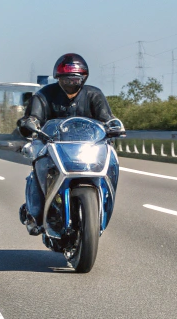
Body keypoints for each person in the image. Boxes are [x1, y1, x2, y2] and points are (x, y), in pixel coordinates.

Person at [16, 53, 114, 235]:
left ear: (83, 78)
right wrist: (30, 122)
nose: (70, 83)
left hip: (86, 147)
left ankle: (103, 204)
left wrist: (113, 126)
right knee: (38, 163)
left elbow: (106, 119)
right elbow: (34, 117)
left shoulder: (94, 94)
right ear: (58, 78)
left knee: (110, 160)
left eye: (75, 79)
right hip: (51, 145)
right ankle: (35, 213)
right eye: (66, 79)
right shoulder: (44, 95)